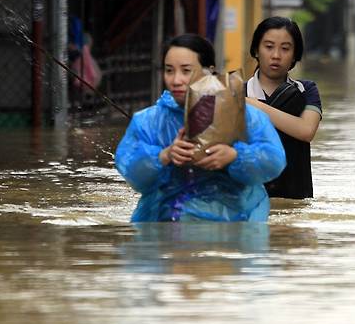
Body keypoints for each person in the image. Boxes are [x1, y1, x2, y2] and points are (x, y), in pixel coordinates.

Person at [115, 34, 286, 222]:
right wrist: (165, 156)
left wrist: (235, 156)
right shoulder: (148, 121)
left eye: (186, 71)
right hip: (164, 224)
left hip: (235, 228)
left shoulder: (246, 116)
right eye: (169, 70)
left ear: (209, 71)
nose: (176, 80)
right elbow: (130, 170)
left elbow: (274, 161)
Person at [244, 17, 322, 199]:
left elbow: (306, 130)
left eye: (285, 48)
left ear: (295, 55)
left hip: (295, 200)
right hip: (249, 202)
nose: (276, 55)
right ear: (256, 49)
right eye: (269, 47)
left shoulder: (306, 90)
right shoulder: (236, 92)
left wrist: (255, 105)